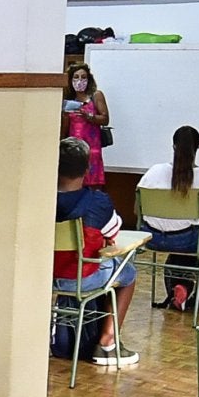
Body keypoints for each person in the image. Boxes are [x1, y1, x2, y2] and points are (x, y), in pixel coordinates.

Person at [55, 137, 138, 367]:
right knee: (128, 273)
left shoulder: (41, 200)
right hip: (81, 277)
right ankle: (108, 342)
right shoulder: (98, 202)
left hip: (44, 278)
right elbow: (113, 232)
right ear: (87, 169)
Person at [137, 125, 199, 252]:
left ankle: (176, 264)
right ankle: (189, 265)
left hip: (150, 238)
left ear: (174, 146)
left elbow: (137, 209)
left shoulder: (154, 171)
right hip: (187, 240)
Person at [60, 63, 111, 188]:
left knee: (93, 184)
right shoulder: (67, 100)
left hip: (92, 149)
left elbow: (105, 119)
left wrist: (89, 116)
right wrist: (65, 116)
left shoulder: (95, 95)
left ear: (89, 79)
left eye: (83, 77)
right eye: (76, 77)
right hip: (74, 149)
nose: (79, 81)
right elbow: (64, 131)